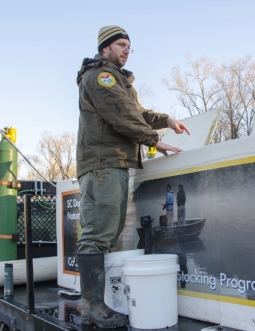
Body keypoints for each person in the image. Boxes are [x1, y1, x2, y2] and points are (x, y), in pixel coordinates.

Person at [75, 25, 190, 329]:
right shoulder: (101, 76)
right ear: (105, 48)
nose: (127, 50)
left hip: (113, 163)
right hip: (102, 165)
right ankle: (93, 309)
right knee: (98, 236)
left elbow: (135, 112)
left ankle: (95, 307)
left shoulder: (120, 81)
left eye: (129, 46)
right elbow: (122, 116)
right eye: (122, 45)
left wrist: (165, 120)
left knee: (107, 235)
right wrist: (154, 140)